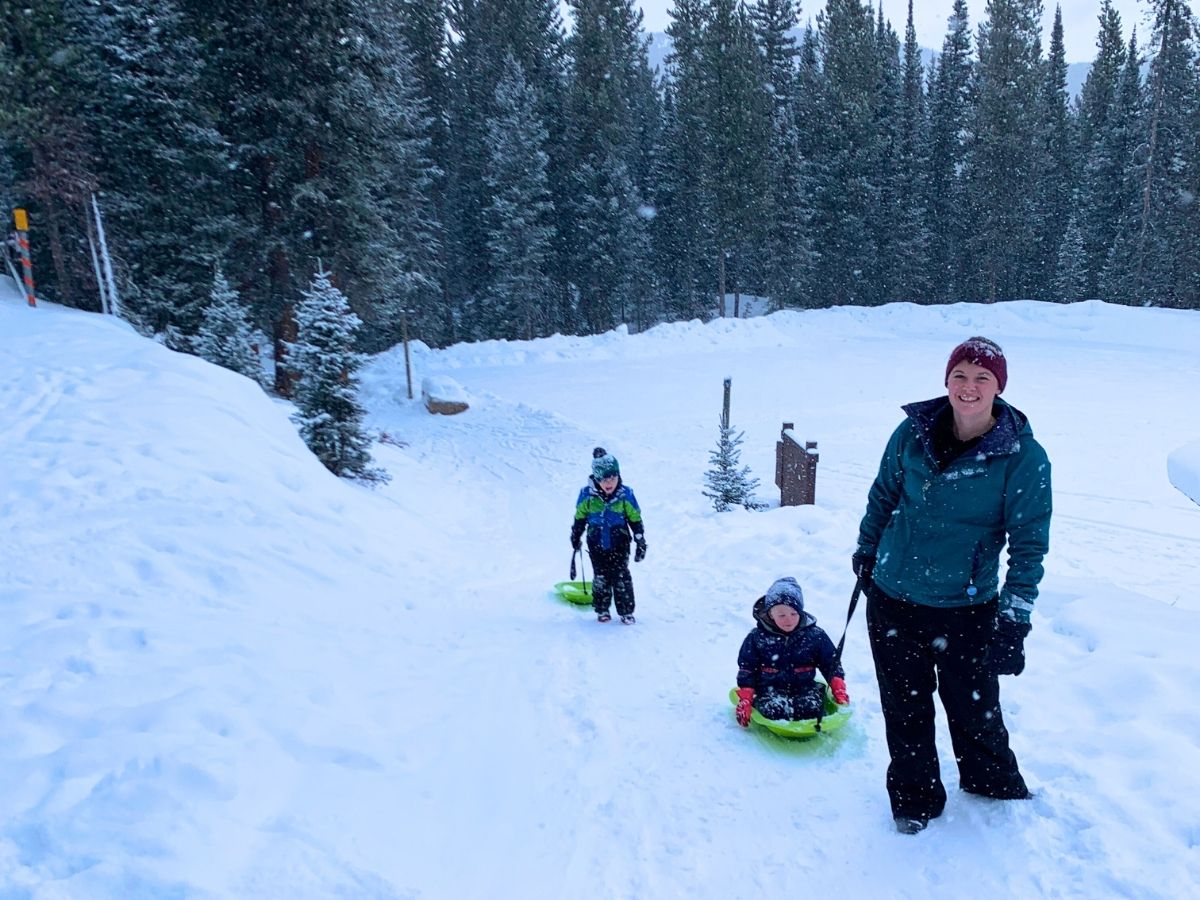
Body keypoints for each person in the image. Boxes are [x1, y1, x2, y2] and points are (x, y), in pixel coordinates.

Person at [853, 336, 1052, 835]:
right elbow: (884, 494)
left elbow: (1029, 544)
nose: (969, 387)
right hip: (893, 597)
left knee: (974, 707)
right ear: (946, 380)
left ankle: (991, 785)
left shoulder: (1023, 457)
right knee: (905, 707)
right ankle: (915, 800)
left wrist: (1015, 618)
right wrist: (866, 549)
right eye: (960, 375)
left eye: (982, 377)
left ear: (999, 387)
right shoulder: (911, 432)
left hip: (966, 608)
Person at [734, 577, 849, 726]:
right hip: (770, 690)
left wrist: (838, 686)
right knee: (773, 711)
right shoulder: (757, 638)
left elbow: (830, 663)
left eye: (794, 614)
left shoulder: (815, 635)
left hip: (804, 688)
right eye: (781, 615)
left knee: (811, 710)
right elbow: (747, 668)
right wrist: (746, 697)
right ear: (770, 615)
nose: (788, 620)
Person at [570, 447, 646, 624]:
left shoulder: (625, 494)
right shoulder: (586, 495)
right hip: (596, 542)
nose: (609, 482)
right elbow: (580, 517)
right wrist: (576, 535)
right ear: (596, 478)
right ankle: (602, 609)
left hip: (620, 541)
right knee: (601, 576)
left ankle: (626, 611)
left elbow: (635, 518)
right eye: (604, 478)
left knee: (621, 575)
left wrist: (640, 540)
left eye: (613, 476)